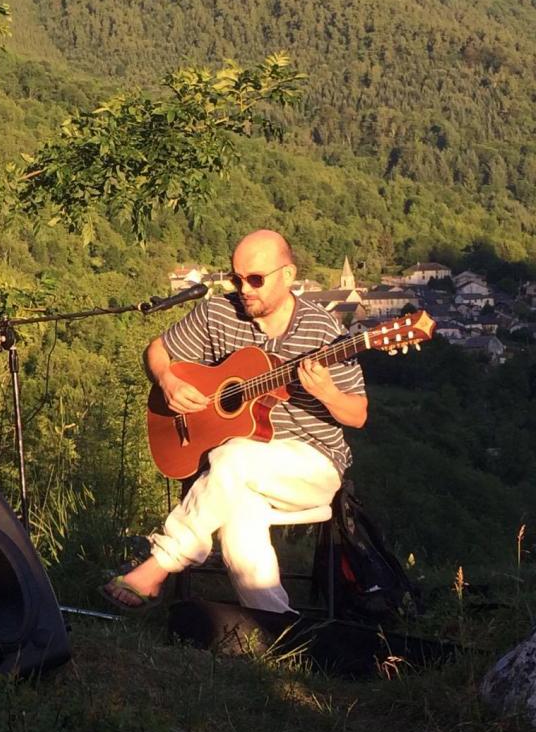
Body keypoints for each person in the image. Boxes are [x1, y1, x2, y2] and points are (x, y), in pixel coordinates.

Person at [102, 229, 367, 615]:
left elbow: (357, 415)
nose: (244, 288)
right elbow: (158, 350)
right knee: (240, 515)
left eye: (256, 279)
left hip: (312, 464)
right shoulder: (218, 313)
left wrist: (327, 392)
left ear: (288, 275)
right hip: (238, 468)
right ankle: (276, 628)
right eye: (236, 278)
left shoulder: (323, 331)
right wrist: (168, 380)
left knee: (233, 458)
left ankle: (159, 564)